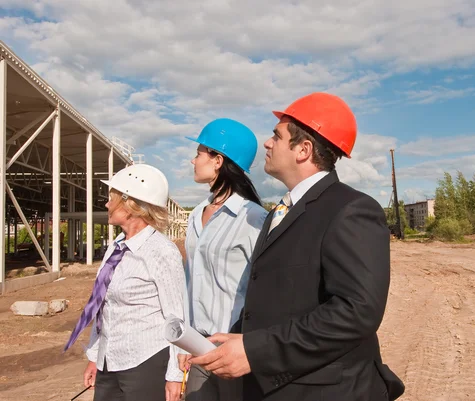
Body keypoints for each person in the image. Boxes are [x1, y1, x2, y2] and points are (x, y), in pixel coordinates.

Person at [189, 93, 405, 401]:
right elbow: (273, 294)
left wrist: (255, 351)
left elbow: (357, 311)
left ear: (303, 150)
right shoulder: (281, 211)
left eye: (277, 136)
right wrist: (234, 338)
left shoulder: (351, 209)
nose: (267, 143)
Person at [63, 164, 185, 401]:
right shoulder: (116, 247)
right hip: (110, 361)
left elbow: (177, 317)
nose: (107, 204)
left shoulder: (161, 251)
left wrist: (175, 375)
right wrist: (95, 357)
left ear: (131, 205)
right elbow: (104, 308)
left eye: (112, 198)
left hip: (145, 363)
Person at [179, 118, 268, 400]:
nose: (193, 160)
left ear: (218, 160)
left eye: (199, 153)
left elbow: (264, 287)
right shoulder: (195, 215)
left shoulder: (253, 218)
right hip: (198, 345)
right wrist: (185, 342)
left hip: (233, 348)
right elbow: (190, 280)